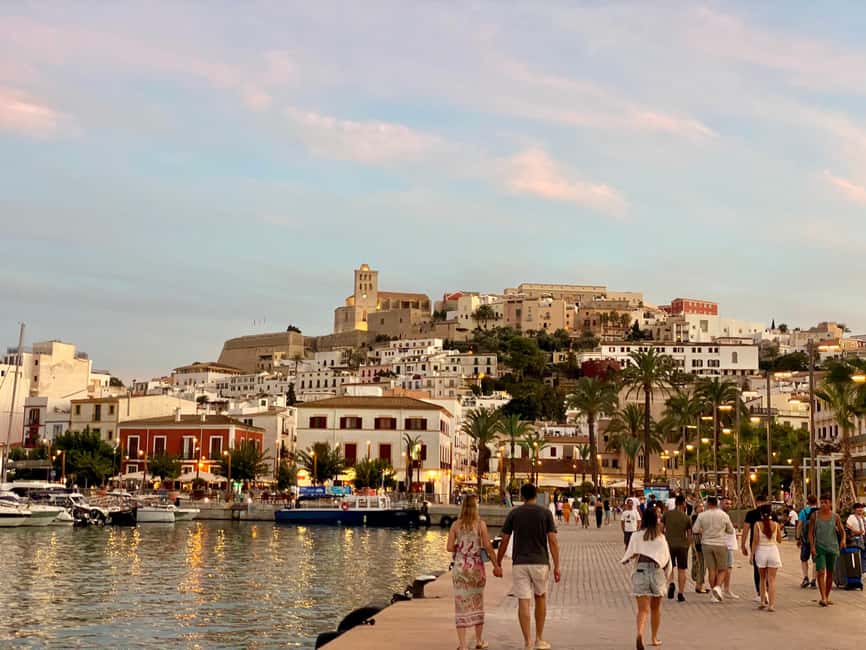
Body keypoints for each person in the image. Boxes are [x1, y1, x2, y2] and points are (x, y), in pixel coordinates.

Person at [496, 484, 560, 650]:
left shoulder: (514, 513)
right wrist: (557, 566)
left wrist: (498, 562)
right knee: (540, 598)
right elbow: (552, 540)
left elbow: (504, 539)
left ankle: (527, 643)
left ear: (522, 496)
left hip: (520, 563)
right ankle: (539, 639)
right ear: (536, 495)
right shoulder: (545, 513)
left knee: (523, 602)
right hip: (540, 563)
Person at [447, 495, 501, 650]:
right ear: (475, 507)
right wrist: (496, 565)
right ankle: (478, 641)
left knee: (461, 606)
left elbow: (449, 547)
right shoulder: (480, 525)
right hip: (476, 569)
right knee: (478, 604)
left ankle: (463, 645)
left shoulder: (455, 525)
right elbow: (489, 549)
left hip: (460, 570)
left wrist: (460, 548)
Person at [623, 506, 671, 650]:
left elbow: (630, 553)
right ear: (656, 520)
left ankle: (639, 633)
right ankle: (654, 638)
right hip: (656, 572)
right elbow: (666, 558)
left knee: (642, 610)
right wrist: (667, 575)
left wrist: (626, 559)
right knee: (655, 609)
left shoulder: (636, 535)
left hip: (640, 571)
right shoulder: (660, 537)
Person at [692, 496, 735, 602]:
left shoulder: (702, 515)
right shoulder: (723, 515)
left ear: (708, 504)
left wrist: (705, 530)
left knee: (712, 569)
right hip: (720, 544)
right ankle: (718, 587)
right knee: (723, 569)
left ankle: (713, 594)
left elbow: (695, 529)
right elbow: (730, 530)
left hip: (706, 544)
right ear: (717, 503)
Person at [809, 494, 846, 607]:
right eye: (822, 502)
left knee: (830, 574)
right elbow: (810, 533)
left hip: (833, 548)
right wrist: (812, 546)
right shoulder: (814, 516)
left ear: (830, 503)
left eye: (826, 502)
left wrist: (843, 540)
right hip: (820, 548)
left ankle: (827, 596)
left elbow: (842, 531)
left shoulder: (835, 517)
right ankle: (823, 597)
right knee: (821, 572)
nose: (823, 504)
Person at [751, 503, 782, 611]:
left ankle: (762, 601)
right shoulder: (776, 525)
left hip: (761, 552)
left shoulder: (757, 525)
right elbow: (779, 540)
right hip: (773, 552)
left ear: (760, 513)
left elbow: (755, 541)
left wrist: (752, 555)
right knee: (772, 580)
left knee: (762, 579)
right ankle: (771, 605)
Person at [741, 494, 772, 601]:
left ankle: (760, 593)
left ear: (757, 502)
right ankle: (767, 591)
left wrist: (743, 545)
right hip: (770, 546)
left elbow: (745, 530)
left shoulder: (751, 514)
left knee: (757, 569)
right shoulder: (772, 513)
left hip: (755, 545)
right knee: (769, 569)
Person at [662, 494, 691, 602]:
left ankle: (671, 583)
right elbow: (689, 534)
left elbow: (661, 529)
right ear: (683, 503)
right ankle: (681, 592)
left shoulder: (667, 514)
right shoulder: (686, 517)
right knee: (682, 570)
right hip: (682, 546)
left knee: (670, 567)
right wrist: (688, 545)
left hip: (669, 545)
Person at [720, 497, 740, 600]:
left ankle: (723, 589)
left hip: (727, 544)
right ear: (721, 504)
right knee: (727, 568)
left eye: (729, 504)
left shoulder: (725, 515)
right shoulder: (722, 515)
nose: (728, 505)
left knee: (725, 568)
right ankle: (724, 589)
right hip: (726, 545)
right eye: (726, 503)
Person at [796, 494, 818, 589]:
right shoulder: (819, 512)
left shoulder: (803, 512)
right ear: (816, 501)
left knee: (804, 559)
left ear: (808, 502)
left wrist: (798, 537)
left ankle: (806, 578)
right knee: (815, 560)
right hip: (817, 539)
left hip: (805, 539)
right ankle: (814, 580)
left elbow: (800, 525)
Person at [690, 501, 708, 593]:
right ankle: (699, 585)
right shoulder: (695, 517)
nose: (702, 508)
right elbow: (697, 530)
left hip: (700, 542)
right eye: (699, 507)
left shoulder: (701, 517)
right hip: (698, 542)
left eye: (702, 506)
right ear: (695, 509)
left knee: (701, 564)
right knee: (702, 564)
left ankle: (700, 583)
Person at [845, 502, 866, 568]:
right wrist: (856, 532)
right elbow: (848, 526)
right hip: (855, 541)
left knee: (864, 557)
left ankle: (863, 572)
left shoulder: (863, 518)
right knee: (857, 557)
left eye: (861, 508)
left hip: (863, 539)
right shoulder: (851, 517)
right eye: (858, 508)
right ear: (854, 509)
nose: (860, 509)